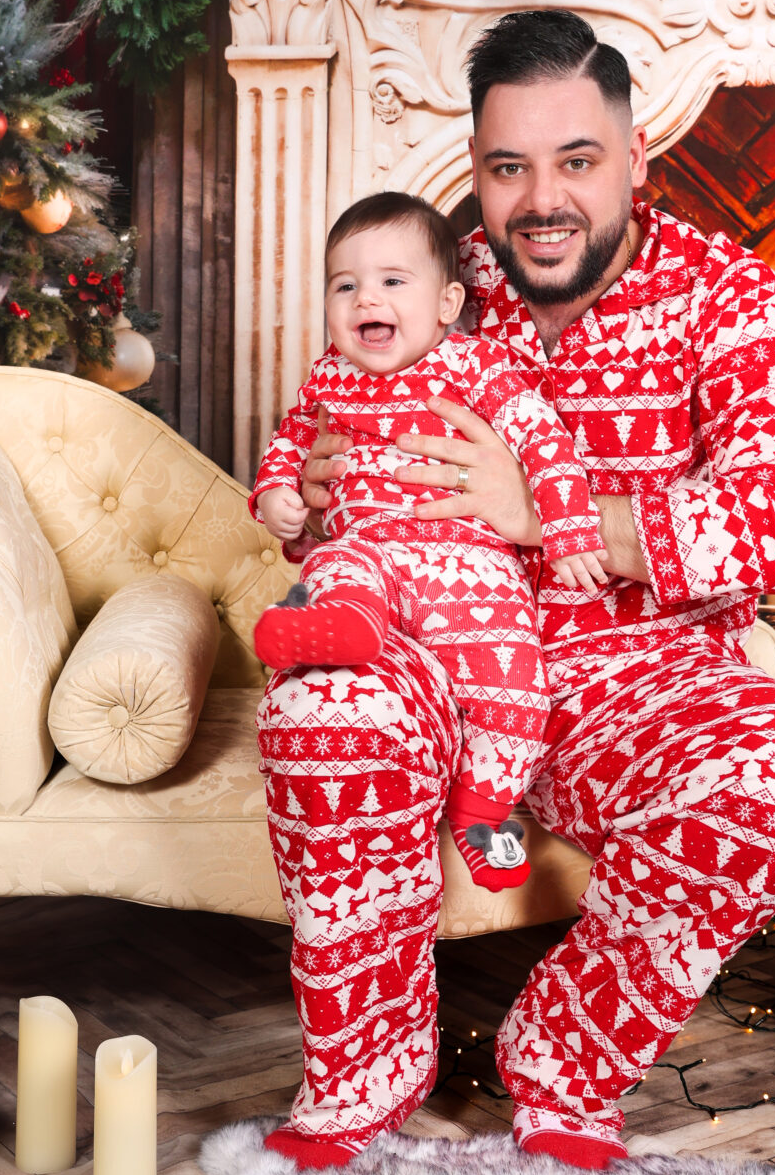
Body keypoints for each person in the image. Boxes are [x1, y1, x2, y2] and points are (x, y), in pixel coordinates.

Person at [257, 8, 775, 1173]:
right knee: (320, 704)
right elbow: (330, 453)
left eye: (575, 161)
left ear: (634, 160)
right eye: (507, 166)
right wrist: (314, 489)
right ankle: (364, 1073)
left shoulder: (726, 298)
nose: (541, 199)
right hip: (433, 645)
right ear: (471, 169)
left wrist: (551, 516)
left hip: (639, 674)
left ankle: (565, 1061)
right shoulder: (429, 276)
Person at [250, 191, 609, 922]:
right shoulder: (328, 379)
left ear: (448, 303)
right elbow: (288, 447)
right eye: (344, 285)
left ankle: (485, 813)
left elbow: (544, 444)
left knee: (517, 690)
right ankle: (342, 627)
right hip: (370, 552)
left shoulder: (475, 367)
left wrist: (569, 529)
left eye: (390, 281)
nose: (364, 299)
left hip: (469, 572)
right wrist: (276, 498)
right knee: (334, 569)